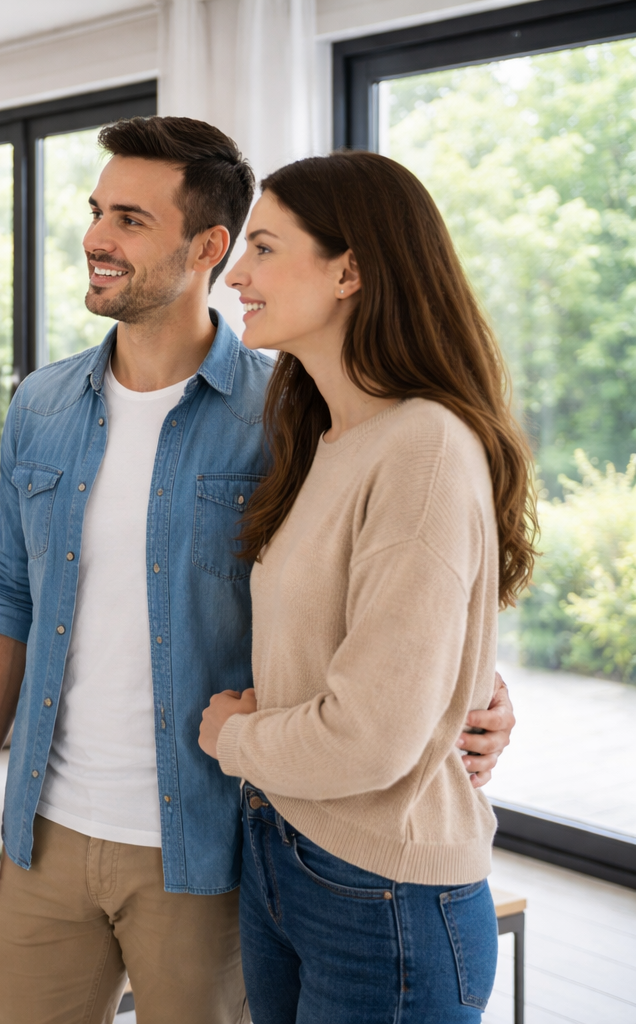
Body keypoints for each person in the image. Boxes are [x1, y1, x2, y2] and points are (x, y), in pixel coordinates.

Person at [0, 118, 518, 1024]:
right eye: (97, 211)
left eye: (129, 218)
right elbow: (10, 592)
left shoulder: (287, 412)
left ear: (206, 246)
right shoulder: (42, 406)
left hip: (209, 840)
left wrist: (472, 688)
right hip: (51, 828)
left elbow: (400, 587)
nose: (95, 237)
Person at [199, 150, 536, 1023]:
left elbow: (370, 740)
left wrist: (234, 737)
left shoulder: (423, 448)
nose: (237, 274)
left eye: (265, 249)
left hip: (381, 891)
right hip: (288, 853)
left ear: (350, 269)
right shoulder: (325, 438)